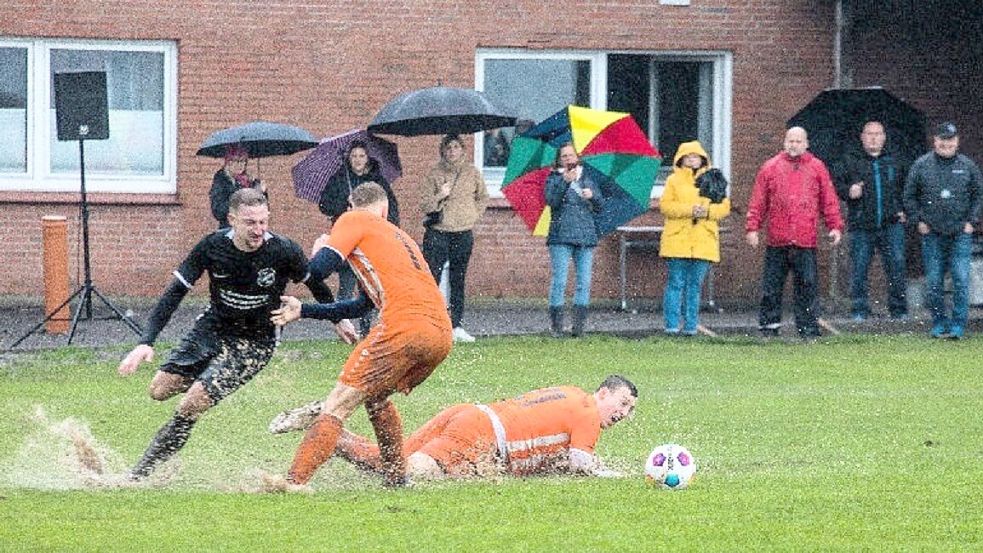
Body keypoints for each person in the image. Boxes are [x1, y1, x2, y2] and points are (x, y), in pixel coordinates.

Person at [116, 188, 357, 481]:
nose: (258, 230)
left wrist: (338, 318)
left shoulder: (283, 250)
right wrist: (145, 342)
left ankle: (140, 475)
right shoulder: (211, 246)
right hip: (214, 326)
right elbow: (175, 293)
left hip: (256, 341)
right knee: (159, 390)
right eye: (250, 223)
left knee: (191, 403)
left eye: (263, 222)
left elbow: (315, 283)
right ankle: (207, 379)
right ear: (232, 219)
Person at [269, 181, 453, 489]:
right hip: (440, 336)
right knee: (376, 398)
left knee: (337, 404)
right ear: (385, 209)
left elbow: (319, 269)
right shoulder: (398, 237)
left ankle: (293, 483)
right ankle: (396, 479)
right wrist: (304, 311)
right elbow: (360, 306)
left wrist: (318, 251)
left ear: (353, 207)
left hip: (404, 327)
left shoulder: (354, 219)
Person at [271, 375, 637, 481]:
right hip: (480, 435)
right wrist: (617, 475)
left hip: (470, 415)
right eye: (622, 404)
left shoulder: (572, 393)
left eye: (630, 410)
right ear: (603, 392)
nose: (623, 414)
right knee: (403, 473)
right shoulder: (590, 414)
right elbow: (579, 462)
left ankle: (329, 423)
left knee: (388, 461)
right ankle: (331, 422)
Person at [745, 127, 844, 338]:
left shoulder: (817, 167)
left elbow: (828, 200)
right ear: (784, 142)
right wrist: (752, 227)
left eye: (798, 141)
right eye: (790, 140)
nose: (794, 144)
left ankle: (807, 328)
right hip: (777, 239)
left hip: (805, 240)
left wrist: (834, 226)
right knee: (772, 286)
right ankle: (769, 327)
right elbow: (758, 201)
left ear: (806, 144)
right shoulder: (770, 168)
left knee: (807, 286)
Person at [903, 122, 983, 339]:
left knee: (960, 279)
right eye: (942, 139)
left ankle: (958, 325)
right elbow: (909, 196)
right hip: (932, 234)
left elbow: (979, 195)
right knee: (934, 281)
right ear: (935, 141)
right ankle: (939, 323)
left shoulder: (968, 166)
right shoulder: (921, 165)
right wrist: (918, 220)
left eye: (950, 139)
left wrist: (972, 222)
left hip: (960, 233)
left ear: (957, 141)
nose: (946, 143)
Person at [317, 141, 400, 337]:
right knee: (346, 284)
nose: (358, 160)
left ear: (367, 158)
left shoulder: (377, 181)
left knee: (368, 287)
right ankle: (342, 326)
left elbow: (390, 207)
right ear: (349, 158)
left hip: (371, 241)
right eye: (354, 156)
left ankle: (367, 329)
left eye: (361, 156)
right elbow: (324, 204)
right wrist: (342, 207)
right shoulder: (340, 179)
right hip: (347, 239)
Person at [835, 121, 909, 321]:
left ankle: (899, 310)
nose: (874, 138)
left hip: (892, 224)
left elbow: (908, 187)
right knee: (859, 269)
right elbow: (837, 186)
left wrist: (904, 210)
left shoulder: (895, 160)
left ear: (884, 137)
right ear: (862, 137)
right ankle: (859, 310)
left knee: (896, 267)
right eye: (869, 134)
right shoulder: (851, 161)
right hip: (862, 225)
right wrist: (849, 191)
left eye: (878, 134)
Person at [420, 134, 489, 343]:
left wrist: (473, 215)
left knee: (458, 279)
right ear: (443, 151)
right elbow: (425, 204)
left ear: (463, 150)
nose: (452, 151)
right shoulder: (434, 173)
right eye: (448, 148)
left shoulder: (472, 172)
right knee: (433, 277)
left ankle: (456, 324)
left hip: (463, 232)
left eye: (456, 147)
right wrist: (440, 194)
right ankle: (431, 323)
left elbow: (483, 197)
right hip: (439, 232)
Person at [659, 141, 731, 335]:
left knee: (694, 286)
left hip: (703, 240)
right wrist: (690, 210)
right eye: (688, 156)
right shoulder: (673, 181)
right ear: (681, 159)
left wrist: (706, 212)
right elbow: (666, 206)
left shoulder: (713, 179)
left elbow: (724, 207)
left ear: (702, 159)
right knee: (675, 283)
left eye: (696, 156)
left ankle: (691, 327)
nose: (692, 160)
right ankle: (671, 326)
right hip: (678, 240)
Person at [545, 143, 606, 338]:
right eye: (564, 156)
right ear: (559, 159)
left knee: (584, 282)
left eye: (572, 155)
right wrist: (564, 182)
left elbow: (600, 207)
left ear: (578, 157)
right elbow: (551, 201)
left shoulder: (588, 179)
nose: (569, 159)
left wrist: (594, 196)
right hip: (560, 235)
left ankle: (578, 327)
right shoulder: (554, 178)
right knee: (560, 281)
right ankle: (557, 327)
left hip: (585, 236)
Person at [209, 145, 265, 229]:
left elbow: (263, 210)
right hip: (231, 230)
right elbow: (218, 211)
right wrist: (246, 196)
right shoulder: (222, 181)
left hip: (251, 230)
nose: (240, 165)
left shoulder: (252, 182)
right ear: (228, 162)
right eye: (236, 161)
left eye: (243, 161)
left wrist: (262, 193)